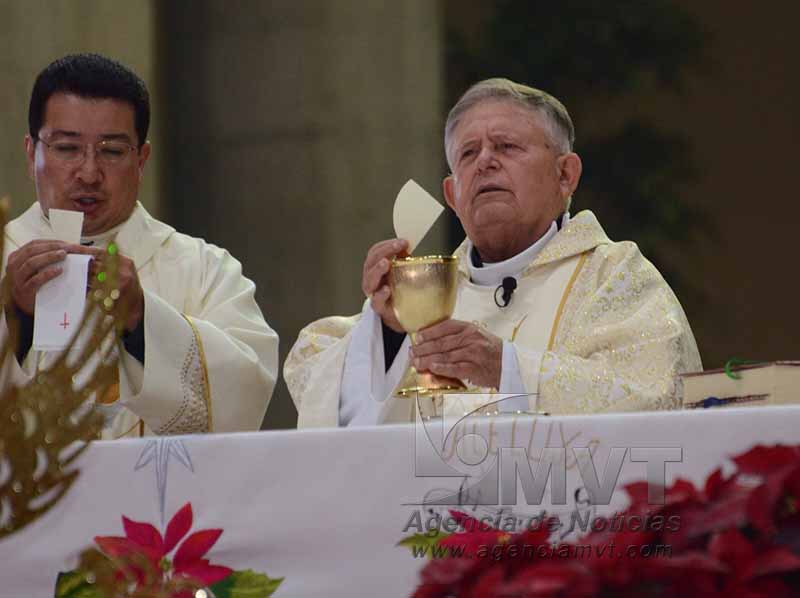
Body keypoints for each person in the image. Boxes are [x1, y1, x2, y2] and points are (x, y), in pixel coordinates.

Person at [284, 78, 702, 427]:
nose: (484, 162)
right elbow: (320, 386)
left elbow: (659, 398)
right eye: (469, 153)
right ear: (453, 194)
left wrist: (506, 366)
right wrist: (389, 335)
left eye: (506, 147)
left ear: (565, 175)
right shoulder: (423, 297)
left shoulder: (613, 276)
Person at [0, 53, 278, 438]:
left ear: (142, 159)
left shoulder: (203, 270)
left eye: (112, 151)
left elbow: (247, 392)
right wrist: (14, 320)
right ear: (32, 154)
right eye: (67, 148)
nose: (89, 172)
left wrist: (143, 322)